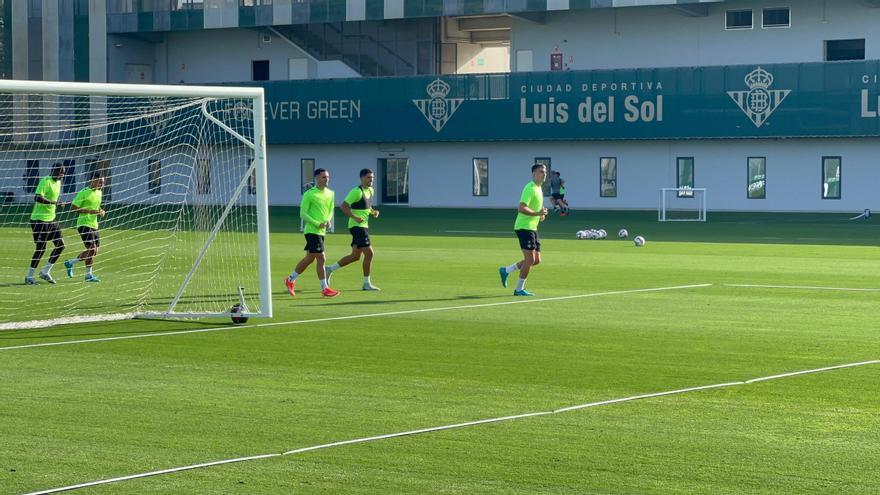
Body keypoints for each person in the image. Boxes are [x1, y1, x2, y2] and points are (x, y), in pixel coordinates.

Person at [285, 168, 339, 298]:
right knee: (321, 257)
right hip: (311, 231)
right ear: (316, 179)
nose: (326, 179)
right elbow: (302, 213)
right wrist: (316, 223)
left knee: (309, 258)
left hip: (322, 231)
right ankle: (325, 288)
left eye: (327, 177)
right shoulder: (309, 194)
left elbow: (330, 209)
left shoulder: (331, 193)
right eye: (323, 177)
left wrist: (328, 220)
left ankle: (290, 279)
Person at [325, 168, 381, 291]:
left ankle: (329, 269)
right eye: (368, 177)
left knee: (355, 256)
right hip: (357, 227)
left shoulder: (371, 190)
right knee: (370, 253)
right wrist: (354, 217)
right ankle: (366, 283)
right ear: (361, 178)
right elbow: (343, 206)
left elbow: (367, 206)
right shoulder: (356, 192)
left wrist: (373, 212)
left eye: (372, 177)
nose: (371, 180)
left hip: (363, 226)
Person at [498, 163, 548, 296]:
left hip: (532, 227)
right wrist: (537, 214)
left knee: (536, 260)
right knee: (529, 260)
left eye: (545, 172)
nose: (544, 174)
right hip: (524, 228)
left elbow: (534, 209)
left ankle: (506, 270)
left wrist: (540, 215)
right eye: (541, 172)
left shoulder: (539, 189)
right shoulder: (530, 188)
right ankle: (519, 289)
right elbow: (521, 207)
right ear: (534, 174)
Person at [25, 163, 68, 285]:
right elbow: (37, 197)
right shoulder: (45, 181)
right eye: (60, 172)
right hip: (39, 220)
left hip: (51, 219)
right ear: (53, 170)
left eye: (63, 173)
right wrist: (54, 203)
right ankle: (29, 276)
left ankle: (45, 272)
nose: (62, 175)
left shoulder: (58, 182)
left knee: (61, 245)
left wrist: (56, 203)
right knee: (41, 248)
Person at [64, 175, 105, 282]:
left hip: (94, 225)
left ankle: (81, 271)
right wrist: (91, 212)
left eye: (103, 182)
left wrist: (101, 210)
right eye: (100, 182)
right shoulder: (83, 192)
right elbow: (74, 208)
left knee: (94, 252)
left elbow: (96, 206)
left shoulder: (99, 192)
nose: (102, 184)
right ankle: (86, 274)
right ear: (93, 181)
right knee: (91, 249)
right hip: (84, 224)